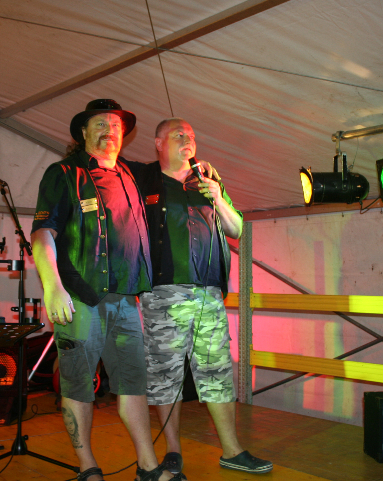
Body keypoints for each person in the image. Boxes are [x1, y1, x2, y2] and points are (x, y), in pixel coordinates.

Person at [31, 100, 184, 481]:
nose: (109, 130)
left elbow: (173, 168)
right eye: (100, 124)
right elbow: (42, 234)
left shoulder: (132, 175)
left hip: (127, 301)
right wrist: (52, 287)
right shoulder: (64, 173)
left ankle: (147, 467)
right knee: (78, 385)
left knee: (133, 384)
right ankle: (88, 468)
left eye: (115, 125)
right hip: (81, 298)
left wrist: (196, 161)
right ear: (83, 132)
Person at [129, 118, 273, 474]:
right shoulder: (144, 178)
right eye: (179, 134)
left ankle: (232, 451)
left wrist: (218, 197)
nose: (187, 139)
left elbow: (236, 228)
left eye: (192, 135)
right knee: (166, 376)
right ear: (159, 143)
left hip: (208, 294)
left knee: (217, 372)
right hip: (163, 293)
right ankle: (173, 450)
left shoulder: (207, 180)